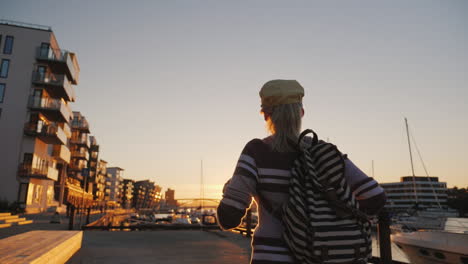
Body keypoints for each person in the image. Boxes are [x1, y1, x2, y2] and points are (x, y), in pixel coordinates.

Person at [217, 80, 386, 264]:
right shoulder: (324, 153)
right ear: (301, 113)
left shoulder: (256, 152)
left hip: (272, 257)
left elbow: (229, 219)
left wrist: (231, 188)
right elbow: (375, 198)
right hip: (323, 255)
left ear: (265, 114)